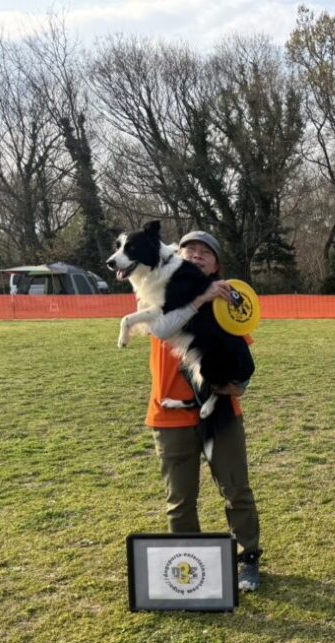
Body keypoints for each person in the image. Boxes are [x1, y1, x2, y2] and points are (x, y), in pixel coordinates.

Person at [145, 230, 263, 592]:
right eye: (189, 250)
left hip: (221, 412)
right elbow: (159, 329)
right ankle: (189, 568)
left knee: (236, 490)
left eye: (205, 252)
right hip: (170, 414)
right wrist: (198, 299)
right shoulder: (158, 294)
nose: (196, 255)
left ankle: (248, 558)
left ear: (216, 266)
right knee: (180, 500)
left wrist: (239, 385)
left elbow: (242, 357)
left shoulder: (227, 304)